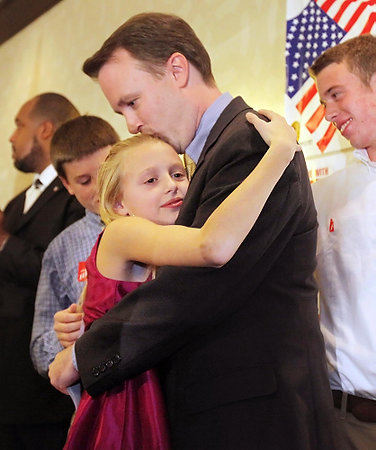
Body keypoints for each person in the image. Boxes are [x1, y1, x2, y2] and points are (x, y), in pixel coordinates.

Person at [49, 13, 340, 449]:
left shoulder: (248, 143)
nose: (130, 123)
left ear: (177, 70)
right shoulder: (218, 152)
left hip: (256, 416)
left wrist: (83, 354)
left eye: (133, 102)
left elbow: (200, 286)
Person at [63, 121, 300, 449]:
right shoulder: (123, 232)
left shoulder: (163, 248)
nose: (171, 186)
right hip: (125, 404)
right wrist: (279, 154)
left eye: (177, 174)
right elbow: (212, 244)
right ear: (119, 205)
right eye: (151, 180)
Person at [0, 93, 84, 449]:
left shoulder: (75, 194)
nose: (11, 136)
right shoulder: (16, 203)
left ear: (45, 129)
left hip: (45, 391)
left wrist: (4, 241)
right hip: (9, 383)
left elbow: (61, 274)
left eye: (20, 124)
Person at [309, 34, 376, 449]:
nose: (330, 114)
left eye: (336, 94)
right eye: (323, 103)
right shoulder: (321, 197)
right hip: (351, 424)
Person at [30, 115, 119, 377]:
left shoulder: (159, 214)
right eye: (84, 181)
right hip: (106, 386)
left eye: (106, 170)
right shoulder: (60, 250)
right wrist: (62, 334)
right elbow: (38, 351)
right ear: (67, 184)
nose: (100, 186)